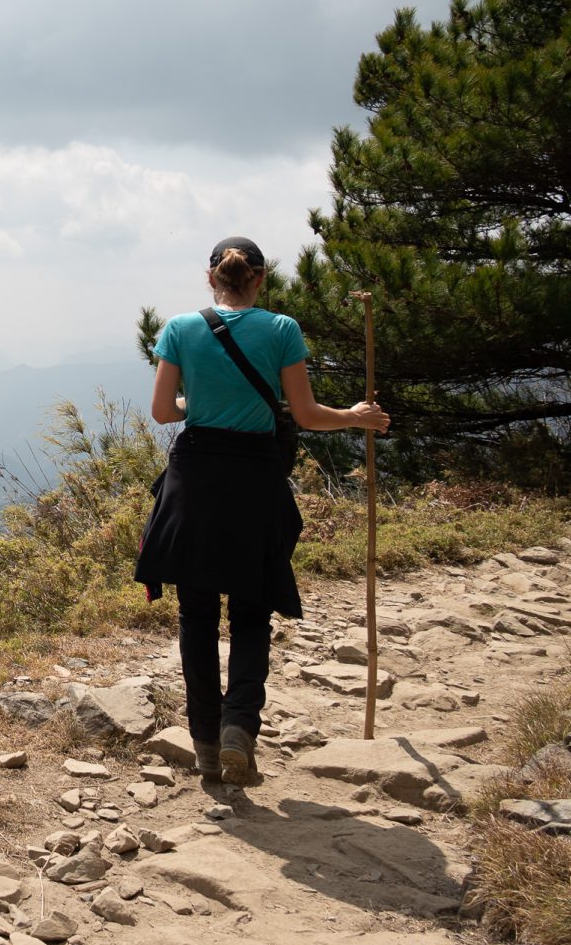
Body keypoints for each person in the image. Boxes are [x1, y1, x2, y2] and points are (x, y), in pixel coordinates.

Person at [134, 236, 389, 787]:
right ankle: (238, 732)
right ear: (260, 279)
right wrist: (356, 416)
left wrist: (199, 403)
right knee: (251, 610)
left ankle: (204, 744)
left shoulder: (179, 328)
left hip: (194, 480)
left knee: (196, 618)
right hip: (253, 480)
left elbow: (161, 412)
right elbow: (305, 413)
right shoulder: (282, 330)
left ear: (212, 279)